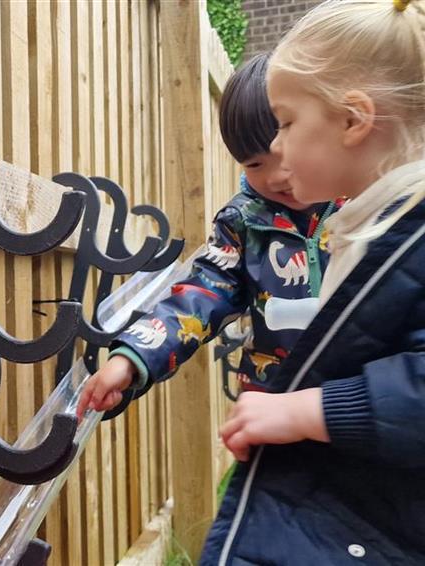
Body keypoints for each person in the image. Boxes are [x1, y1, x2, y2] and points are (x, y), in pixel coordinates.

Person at [205, 1, 425, 563]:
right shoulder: (377, 221)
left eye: (285, 123)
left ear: (354, 120)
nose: (277, 148)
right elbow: (208, 283)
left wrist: (307, 410)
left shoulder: (403, 231)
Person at [76, 53, 337, 415]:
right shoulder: (242, 221)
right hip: (274, 406)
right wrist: (133, 357)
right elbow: (202, 294)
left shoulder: (365, 206)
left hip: (352, 404)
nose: (277, 175)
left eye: (286, 150)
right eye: (255, 164)